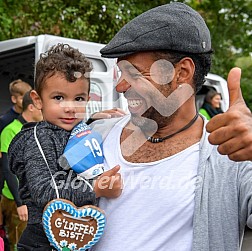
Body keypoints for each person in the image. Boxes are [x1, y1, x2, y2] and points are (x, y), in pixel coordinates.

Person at [88, 2, 252, 251]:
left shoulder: (231, 157)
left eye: (133, 73)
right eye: (120, 73)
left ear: (182, 72)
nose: (120, 86)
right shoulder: (98, 134)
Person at [8, 43, 122, 250]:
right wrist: (97, 188)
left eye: (78, 99)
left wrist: (92, 122)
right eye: (58, 98)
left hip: (73, 235)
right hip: (42, 241)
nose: (70, 107)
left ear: (88, 99)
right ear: (38, 100)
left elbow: (68, 145)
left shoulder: (75, 131)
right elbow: (45, 191)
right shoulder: (38, 138)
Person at [0, 90, 43, 251]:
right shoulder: (10, 130)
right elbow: (7, 169)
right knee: (17, 243)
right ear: (31, 107)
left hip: (32, 199)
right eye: (40, 108)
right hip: (15, 199)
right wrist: (20, 202)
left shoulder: (37, 129)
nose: (43, 112)